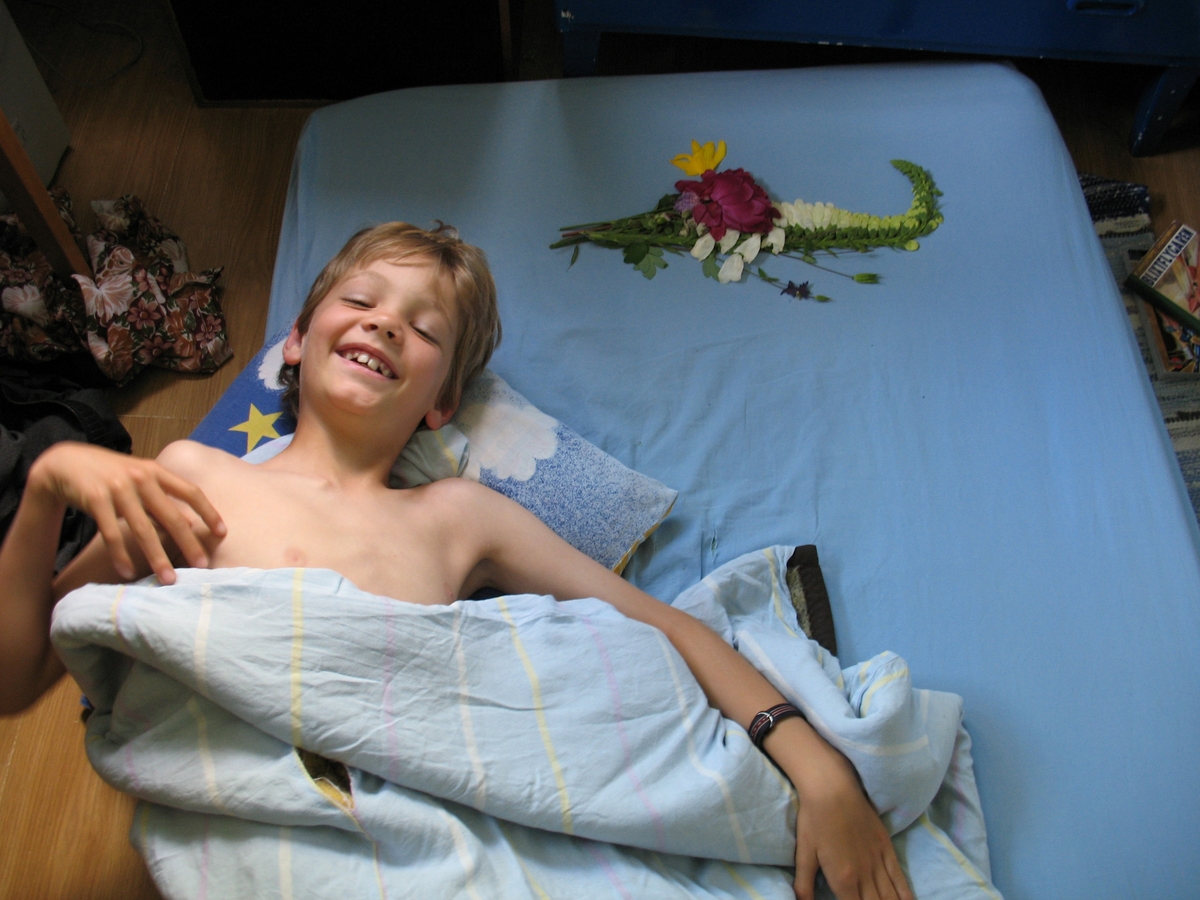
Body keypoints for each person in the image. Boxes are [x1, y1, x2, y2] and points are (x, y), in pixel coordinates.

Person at [0, 222, 912, 900]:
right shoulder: (195, 479)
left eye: (425, 329)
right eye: (361, 301)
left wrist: (820, 771)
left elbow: (661, 628)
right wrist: (47, 487)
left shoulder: (456, 517)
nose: (386, 325)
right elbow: (19, 677)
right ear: (297, 341)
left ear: (442, 403)